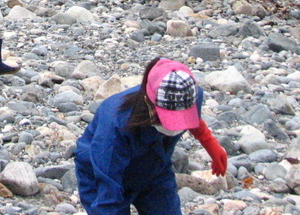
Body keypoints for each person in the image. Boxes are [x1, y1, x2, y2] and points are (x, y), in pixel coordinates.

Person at [75, 58, 227, 215]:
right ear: (148, 101)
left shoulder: (192, 96)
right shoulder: (116, 124)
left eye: (182, 119)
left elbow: (194, 119)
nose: (175, 128)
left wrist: (209, 142)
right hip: (101, 173)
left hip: (154, 169)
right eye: (169, 120)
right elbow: (107, 195)